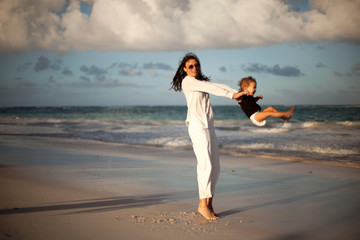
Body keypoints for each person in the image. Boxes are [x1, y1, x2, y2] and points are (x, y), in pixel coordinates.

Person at [170, 53, 244, 220]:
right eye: (191, 66)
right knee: (206, 166)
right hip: (197, 127)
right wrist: (232, 95)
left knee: (215, 167)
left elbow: (217, 85)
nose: (194, 68)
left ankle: (209, 203)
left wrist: (240, 94)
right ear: (185, 69)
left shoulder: (201, 83)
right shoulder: (188, 81)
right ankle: (202, 205)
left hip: (208, 126)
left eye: (197, 65)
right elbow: (213, 89)